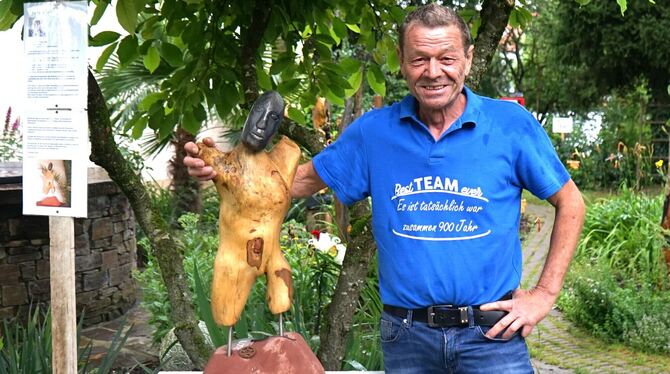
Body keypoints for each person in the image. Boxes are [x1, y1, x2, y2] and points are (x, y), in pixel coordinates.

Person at [184, 4, 585, 373]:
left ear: (468, 59)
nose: (433, 71)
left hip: (492, 338)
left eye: (446, 58)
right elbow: (298, 182)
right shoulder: (374, 132)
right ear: (402, 63)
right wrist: (226, 173)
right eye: (419, 59)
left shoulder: (510, 125)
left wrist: (544, 294)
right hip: (408, 338)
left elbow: (570, 202)